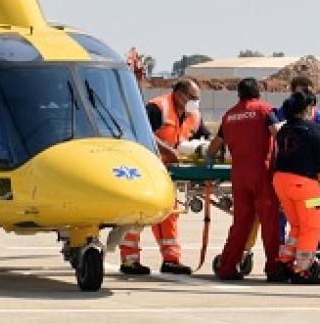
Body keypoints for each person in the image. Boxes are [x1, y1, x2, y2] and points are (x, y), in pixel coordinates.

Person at [119, 79, 209, 275]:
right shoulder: (157, 107)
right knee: (138, 214)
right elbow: (141, 133)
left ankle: (171, 260)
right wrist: (167, 150)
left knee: (170, 214)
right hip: (146, 169)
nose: (196, 102)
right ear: (179, 94)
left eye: (197, 99)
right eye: (193, 98)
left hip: (170, 172)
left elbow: (205, 137)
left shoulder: (193, 114)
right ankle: (129, 259)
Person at [207, 78, 283, 281]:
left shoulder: (229, 115)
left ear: (238, 94)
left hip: (238, 175)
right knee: (270, 222)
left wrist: (207, 157)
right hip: (262, 172)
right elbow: (277, 133)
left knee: (241, 223)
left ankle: (227, 266)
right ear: (258, 92)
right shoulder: (265, 110)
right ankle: (274, 268)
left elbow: (214, 146)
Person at [272, 89, 320, 284]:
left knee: (297, 225)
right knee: (312, 226)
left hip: (281, 181)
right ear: (308, 108)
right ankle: (302, 269)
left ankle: (284, 262)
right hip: (304, 184)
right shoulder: (313, 129)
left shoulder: (283, 129)